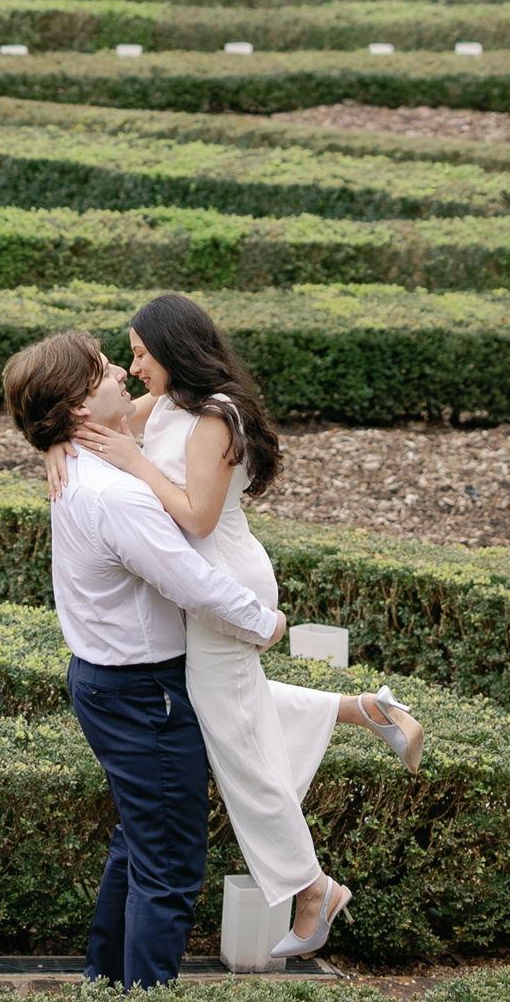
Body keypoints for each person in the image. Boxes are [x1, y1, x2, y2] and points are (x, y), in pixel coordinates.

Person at [49, 293, 425, 961]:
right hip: (202, 583)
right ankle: (365, 711)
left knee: (236, 742)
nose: (134, 369)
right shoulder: (166, 403)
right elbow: (89, 420)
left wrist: (135, 463)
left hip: (224, 581)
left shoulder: (216, 417)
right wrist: (53, 443)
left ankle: (312, 889)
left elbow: (197, 518)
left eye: (141, 353)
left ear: (174, 350)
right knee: (226, 708)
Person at [3, 328, 289, 991]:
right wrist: (264, 622)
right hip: (145, 694)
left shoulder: (83, 460)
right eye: (105, 370)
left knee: (139, 844)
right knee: (169, 866)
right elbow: (190, 580)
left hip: (109, 685)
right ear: (79, 408)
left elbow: (145, 409)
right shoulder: (117, 494)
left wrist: (52, 440)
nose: (121, 375)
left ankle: (104, 984)